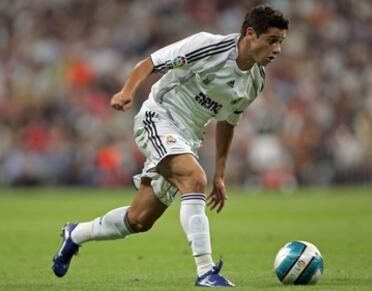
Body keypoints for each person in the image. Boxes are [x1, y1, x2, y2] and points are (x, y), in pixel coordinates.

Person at [52, 4, 289, 287]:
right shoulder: (208, 47)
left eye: (281, 43)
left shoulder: (255, 81)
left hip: (187, 139)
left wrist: (220, 174)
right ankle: (206, 271)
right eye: (272, 40)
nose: (277, 50)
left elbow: (228, 121)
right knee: (194, 178)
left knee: (138, 220)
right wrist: (127, 92)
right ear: (251, 34)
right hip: (158, 116)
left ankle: (75, 233)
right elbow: (150, 63)